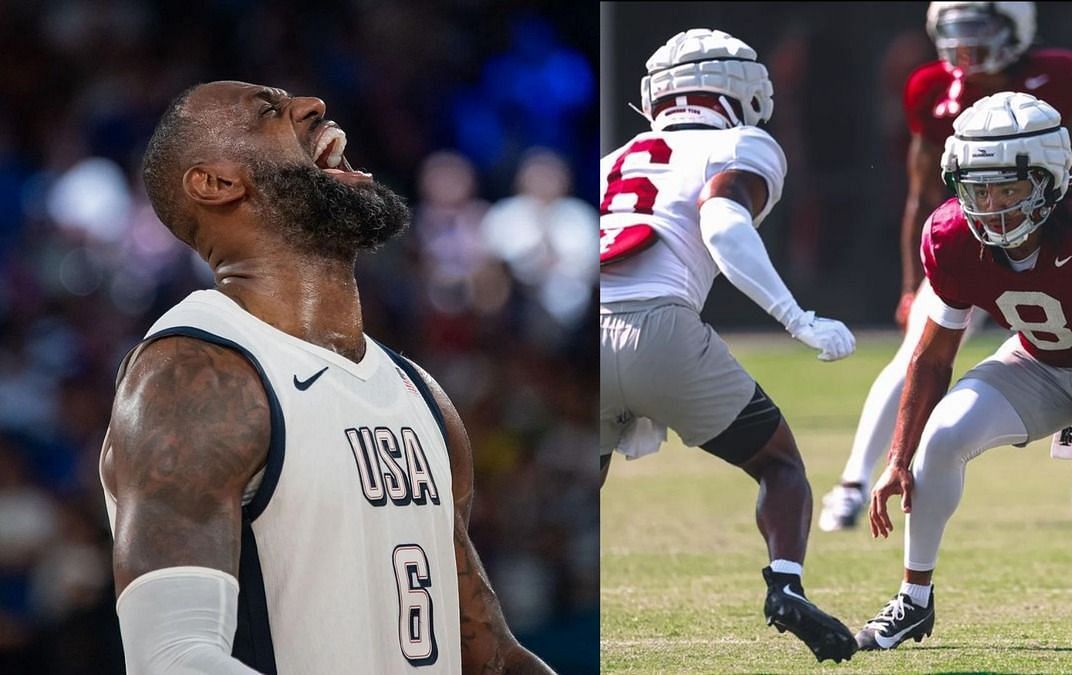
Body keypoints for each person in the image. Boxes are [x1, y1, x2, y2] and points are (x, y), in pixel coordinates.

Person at [98, 81, 555, 674]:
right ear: (215, 183)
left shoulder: (419, 393)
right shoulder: (194, 375)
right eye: (268, 110)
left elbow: (489, 658)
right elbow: (173, 658)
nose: (312, 106)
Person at [855, 90, 1072, 652]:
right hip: (1036, 360)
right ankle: (913, 602)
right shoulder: (952, 239)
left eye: (1008, 188)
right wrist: (897, 459)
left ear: (1049, 182)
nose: (990, 205)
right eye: (978, 188)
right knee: (938, 440)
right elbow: (933, 355)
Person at [599, 29, 858, 663]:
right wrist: (795, 318)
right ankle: (786, 584)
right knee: (780, 466)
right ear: (737, 89)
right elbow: (721, 221)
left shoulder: (613, 158)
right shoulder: (739, 143)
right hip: (661, 327)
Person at [819, 0, 1072, 533]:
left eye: (980, 29)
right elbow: (920, 191)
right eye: (955, 32)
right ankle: (851, 484)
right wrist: (913, 284)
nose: (966, 46)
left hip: (1049, 239)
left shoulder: (1057, 75)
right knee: (914, 358)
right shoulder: (932, 88)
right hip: (974, 244)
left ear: (1015, 27)